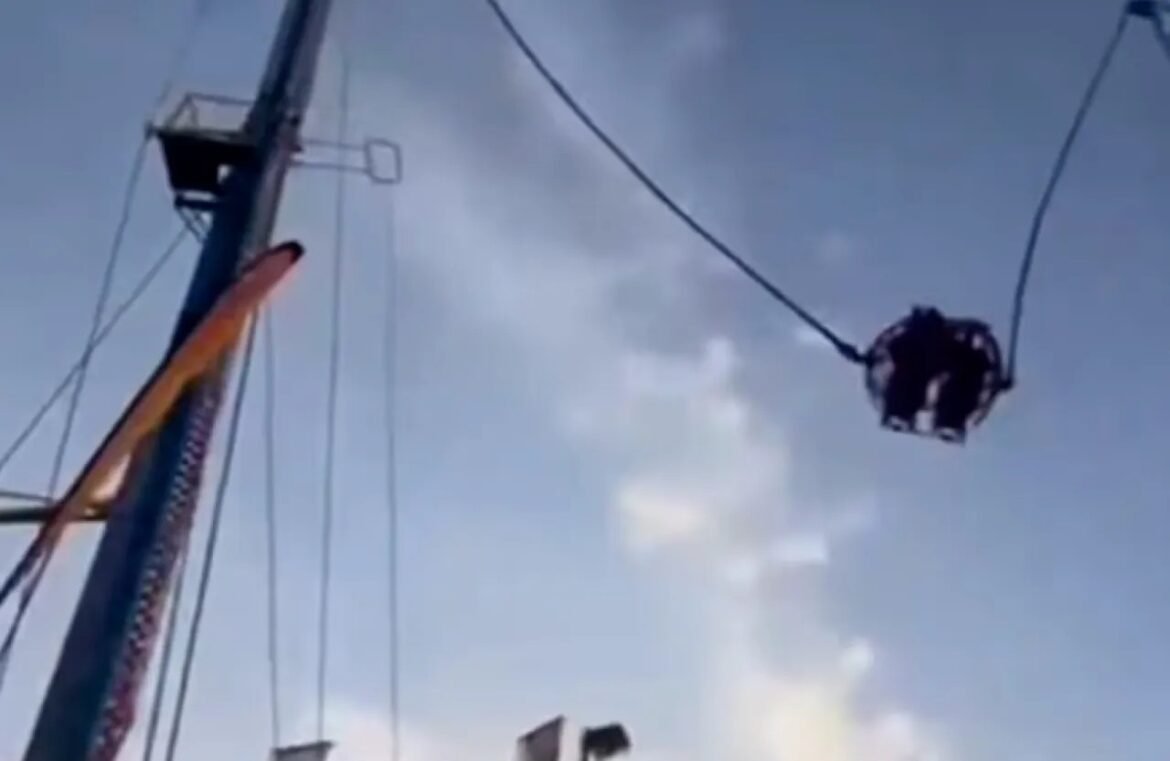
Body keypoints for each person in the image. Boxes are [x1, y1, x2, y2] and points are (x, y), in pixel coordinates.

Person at [880, 307, 950, 431]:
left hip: (912, 385)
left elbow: (892, 348)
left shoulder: (907, 344)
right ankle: (947, 422)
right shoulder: (937, 348)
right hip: (911, 385)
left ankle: (947, 422)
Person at [932, 325, 993, 440]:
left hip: (961, 389)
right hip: (960, 390)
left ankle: (948, 424)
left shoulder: (973, 358)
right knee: (954, 399)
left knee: (955, 399)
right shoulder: (974, 357)